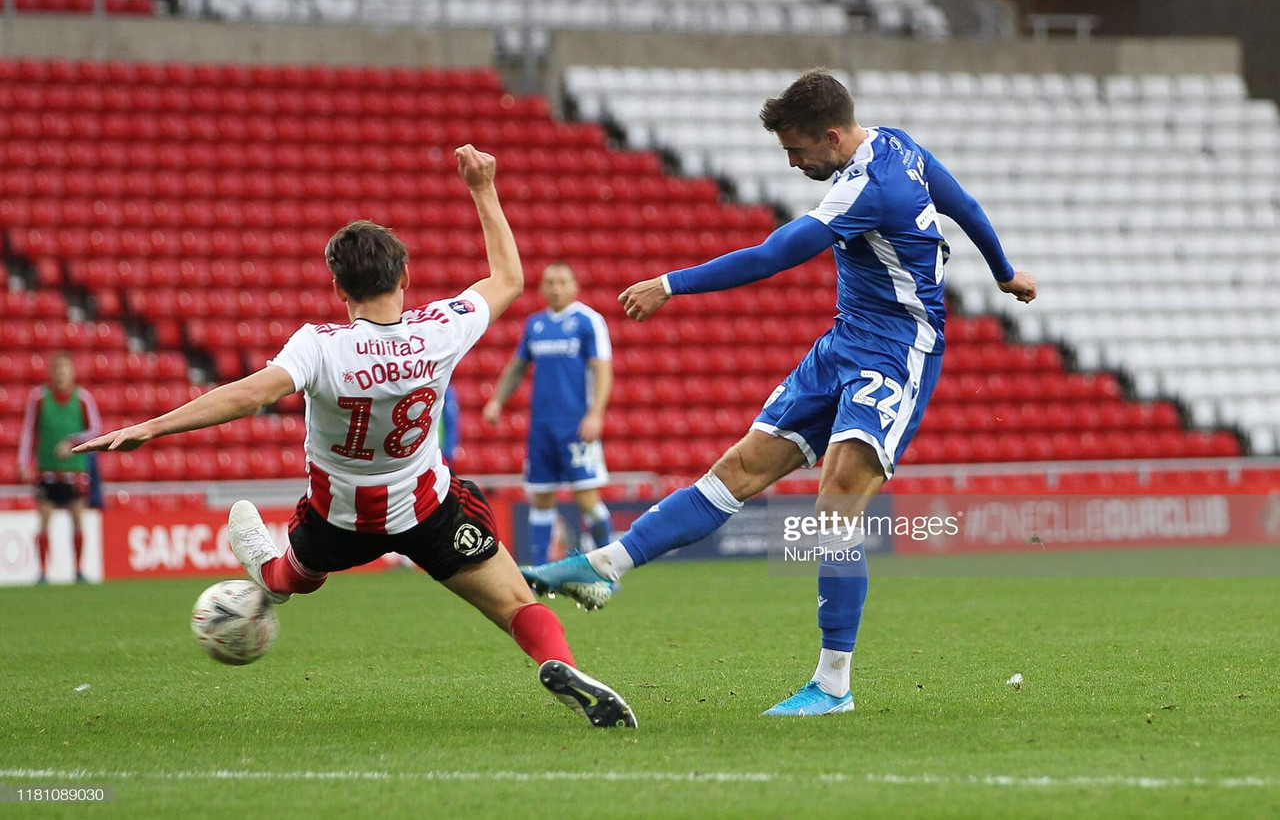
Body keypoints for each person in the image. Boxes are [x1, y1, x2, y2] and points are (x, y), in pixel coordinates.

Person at [522, 69, 1037, 716]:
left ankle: (833, 683)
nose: (792, 163)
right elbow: (960, 200)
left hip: (898, 353)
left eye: (796, 150)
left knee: (837, 502)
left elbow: (773, 255)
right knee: (737, 468)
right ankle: (607, 564)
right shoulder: (898, 146)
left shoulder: (865, 189)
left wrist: (672, 284)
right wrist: (1004, 270)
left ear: (829, 134)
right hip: (843, 344)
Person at [75, 146, 636, 729]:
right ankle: (557, 661)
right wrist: (482, 188)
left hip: (338, 518)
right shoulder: (440, 330)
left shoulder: (319, 345)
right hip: (427, 509)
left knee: (290, 578)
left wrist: (152, 427)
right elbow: (510, 278)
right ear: (406, 277)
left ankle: (267, 575)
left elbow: (252, 394)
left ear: (339, 290)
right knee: (517, 605)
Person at [482, 262, 614, 563]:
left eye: (562, 281)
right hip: (541, 427)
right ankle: (540, 571)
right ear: (541, 288)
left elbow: (602, 369)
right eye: (550, 282)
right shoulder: (535, 324)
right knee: (540, 497)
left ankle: (609, 566)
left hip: (575, 424)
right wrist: (497, 401)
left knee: (587, 498)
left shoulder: (587, 321)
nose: (555, 287)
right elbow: (518, 366)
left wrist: (595, 414)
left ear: (574, 286)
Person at [18, 351, 102, 584]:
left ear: (72, 372)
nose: (61, 374)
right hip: (47, 469)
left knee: (77, 518)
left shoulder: (83, 398)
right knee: (44, 518)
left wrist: (72, 441)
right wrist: (24, 462)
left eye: (65, 369)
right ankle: (43, 572)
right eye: (57, 369)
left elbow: (95, 429)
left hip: (74, 469)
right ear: (51, 373)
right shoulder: (39, 398)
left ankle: (78, 570)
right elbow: (29, 431)